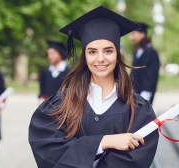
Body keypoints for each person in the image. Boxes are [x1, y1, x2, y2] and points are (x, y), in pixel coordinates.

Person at [29, 6, 159, 168]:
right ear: (84, 56)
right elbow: (48, 150)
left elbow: (137, 160)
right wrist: (103, 142)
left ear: (117, 54)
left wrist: (82, 152)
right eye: (92, 52)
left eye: (108, 51)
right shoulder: (62, 102)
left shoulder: (138, 108)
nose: (100, 59)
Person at [129, 22, 160, 104]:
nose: (131, 37)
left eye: (133, 34)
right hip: (134, 94)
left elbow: (151, 76)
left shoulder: (151, 52)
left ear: (142, 34)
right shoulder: (138, 52)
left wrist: (145, 95)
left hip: (143, 95)